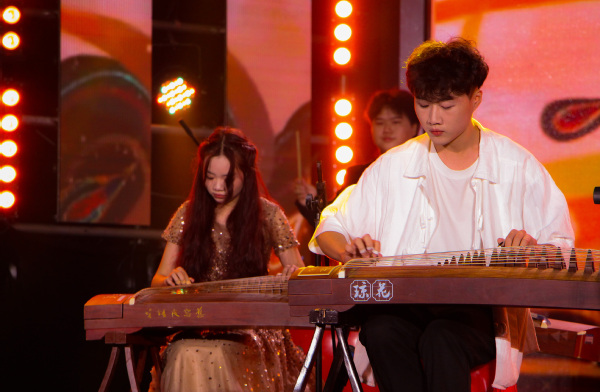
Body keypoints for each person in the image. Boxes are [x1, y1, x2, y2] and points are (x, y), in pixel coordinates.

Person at [309, 37, 574, 392]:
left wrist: (531, 249)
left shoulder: (516, 165)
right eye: (423, 104)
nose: (433, 118)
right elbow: (331, 225)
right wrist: (348, 251)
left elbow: (561, 244)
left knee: (442, 337)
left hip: (478, 313)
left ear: (475, 99)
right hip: (407, 304)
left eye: (447, 105)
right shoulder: (394, 165)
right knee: (381, 330)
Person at [148, 127, 309, 392]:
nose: (218, 186)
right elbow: (157, 280)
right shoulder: (188, 214)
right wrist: (170, 281)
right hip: (199, 324)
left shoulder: (268, 214)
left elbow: (301, 275)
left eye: (227, 178)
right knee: (182, 352)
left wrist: (291, 278)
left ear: (247, 174)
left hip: (252, 328)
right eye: (210, 177)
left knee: (217, 353)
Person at [294, 88, 420, 224]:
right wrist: (311, 200)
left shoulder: (426, 170)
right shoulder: (358, 175)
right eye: (380, 123)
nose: (387, 129)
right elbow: (333, 221)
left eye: (395, 122)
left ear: (414, 127)